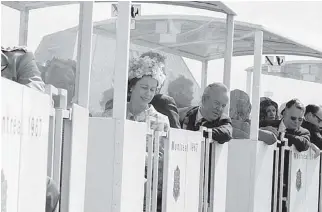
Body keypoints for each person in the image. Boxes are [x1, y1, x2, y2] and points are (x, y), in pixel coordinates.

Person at [103, 52, 170, 212]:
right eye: (144, 87)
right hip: (111, 180)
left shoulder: (162, 121)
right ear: (132, 86)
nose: (148, 93)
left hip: (144, 190)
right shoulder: (113, 114)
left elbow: (161, 160)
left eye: (153, 89)